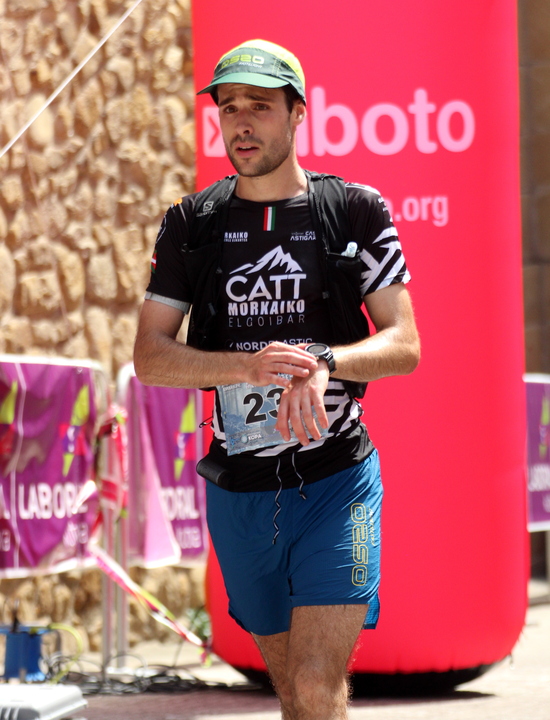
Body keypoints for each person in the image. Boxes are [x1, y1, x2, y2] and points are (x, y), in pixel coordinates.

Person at [134, 39, 420, 720]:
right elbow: (150, 356)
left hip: (336, 480)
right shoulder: (191, 224)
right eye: (229, 107)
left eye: (259, 107)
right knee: (292, 693)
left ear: (298, 113)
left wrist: (324, 361)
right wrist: (246, 365)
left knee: (318, 687)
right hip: (240, 491)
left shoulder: (354, 209)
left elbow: (406, 344)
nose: (240, 122)